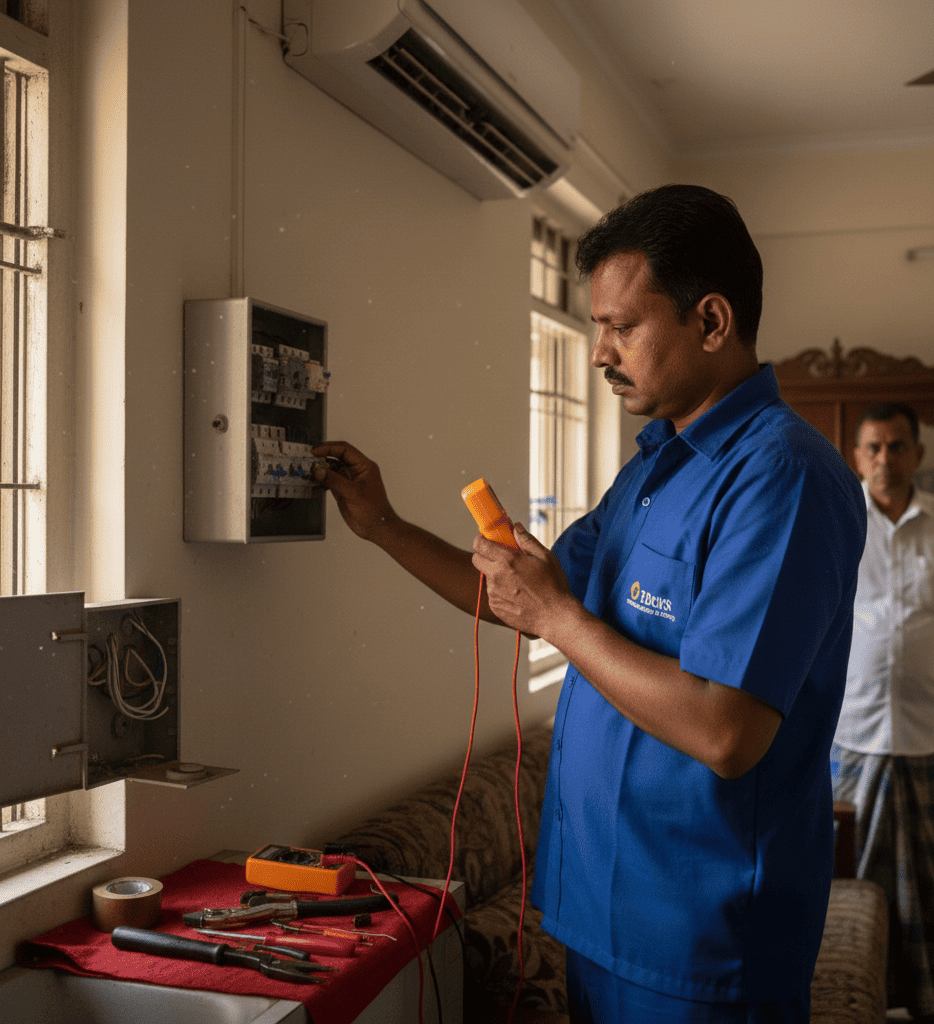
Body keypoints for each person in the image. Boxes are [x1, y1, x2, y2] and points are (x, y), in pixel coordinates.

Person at [313, 183, 867, 1023]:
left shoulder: (782, 477)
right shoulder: (654, 466)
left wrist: (559, 619)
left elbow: (725, 732)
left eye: (622, 326)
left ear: (711, 321)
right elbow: (515, 598)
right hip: (600, 913)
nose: (601, 352)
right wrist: (383, 525)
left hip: (702, 942)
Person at [831, 402, 934, 1022]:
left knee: (927, 882)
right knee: (855, 875)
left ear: (917, 453)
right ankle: (872, 1000)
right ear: (857, 457)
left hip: (928, 739)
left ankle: (922, 1000)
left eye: (897, 446)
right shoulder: (837, 526)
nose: (885, 459)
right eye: (873, 447)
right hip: (853, 736)